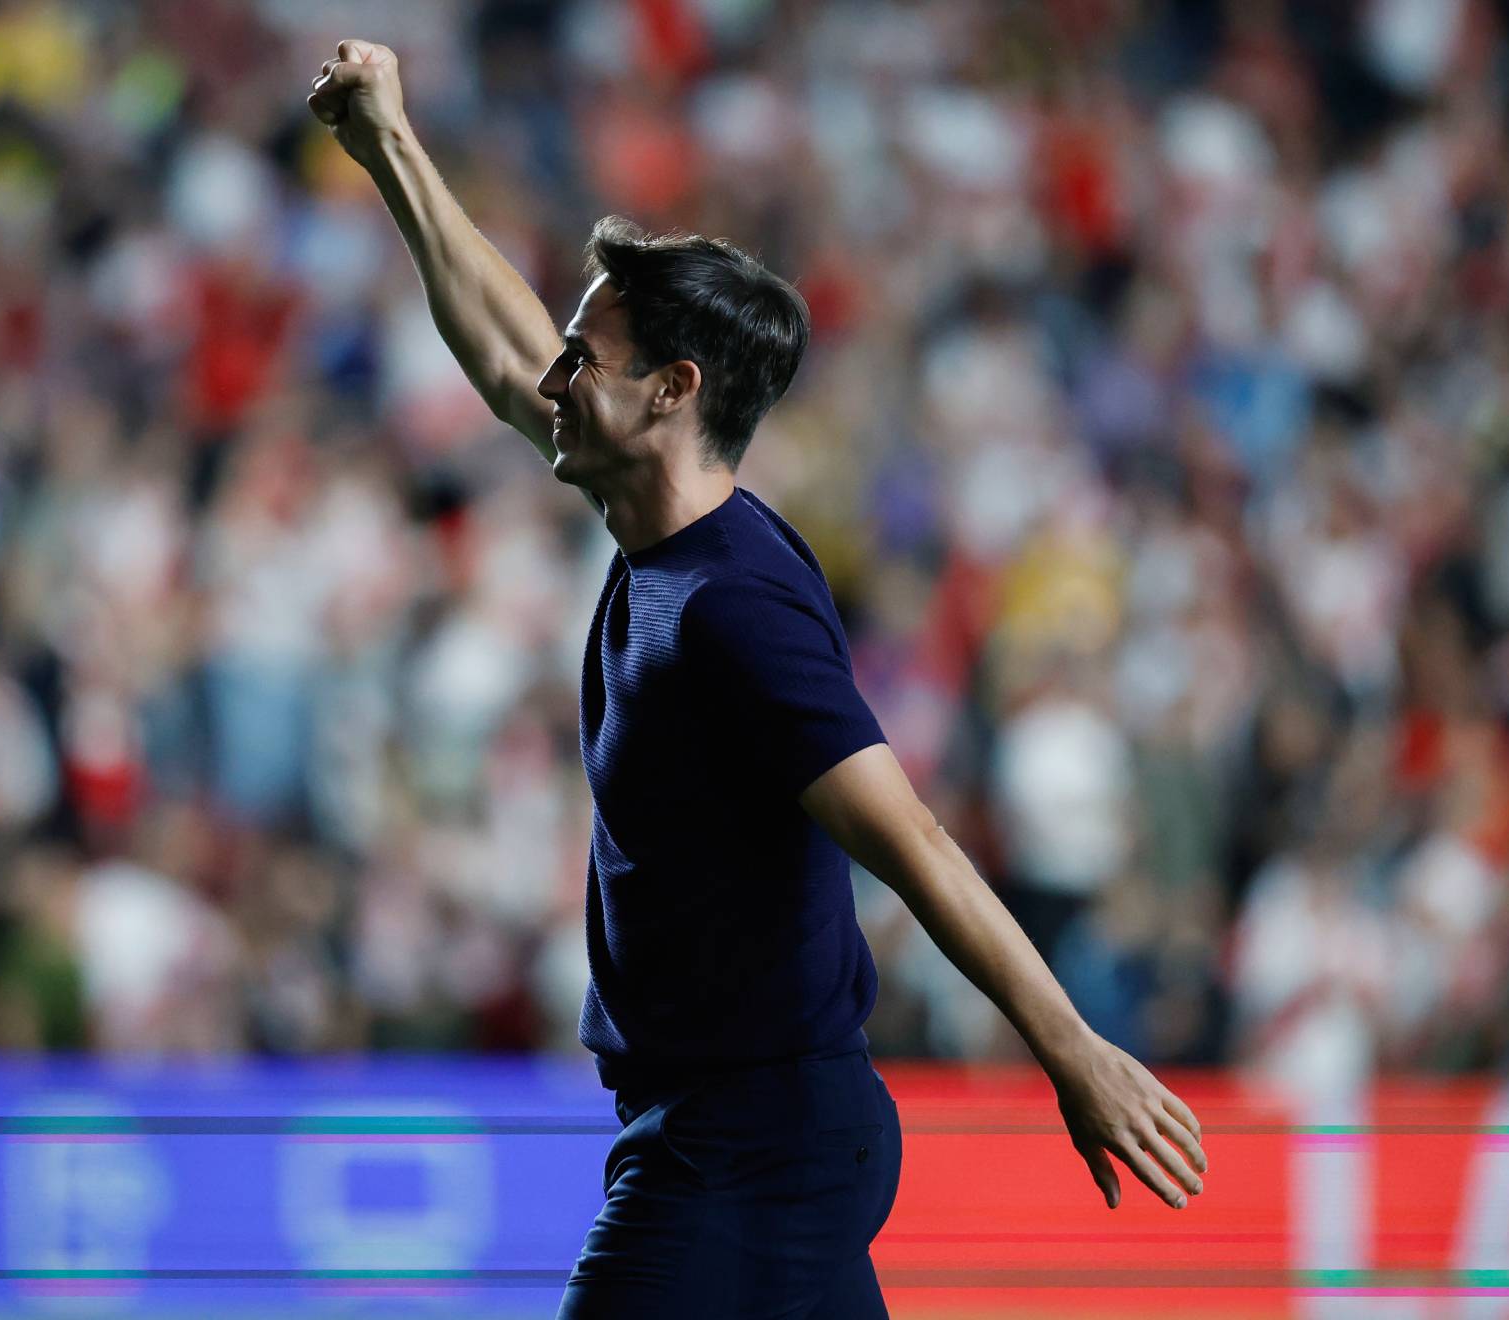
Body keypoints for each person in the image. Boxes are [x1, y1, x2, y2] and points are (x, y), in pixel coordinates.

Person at [308, 39, 1208, 1318]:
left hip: (749, 1147)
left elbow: (914, 842)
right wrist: (390, 146)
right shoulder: (668, 537)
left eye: (589, 360)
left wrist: (1074, 1056)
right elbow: (509, 357)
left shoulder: (733, 609)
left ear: (674, 391)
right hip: (744, 1131)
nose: (553, 381)